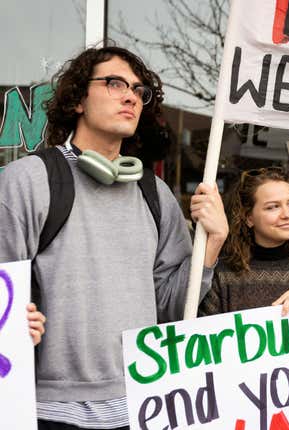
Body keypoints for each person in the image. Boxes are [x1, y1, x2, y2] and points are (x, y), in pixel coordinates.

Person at [0, 45, 228, 429]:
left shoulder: (157, 194)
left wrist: (213, 244)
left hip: (143, 406)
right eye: (114, 83)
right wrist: (10, 321)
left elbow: (172, 310)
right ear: (77, 100)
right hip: (48, 411)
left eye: (140, 91)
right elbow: (3, 294)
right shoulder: (29, 179)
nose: (130, 96)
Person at [199, 167, 289, 318]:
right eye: (273, 207)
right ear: (249, 217)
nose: (287, 214)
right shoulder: (222, 275)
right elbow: (200, 334)